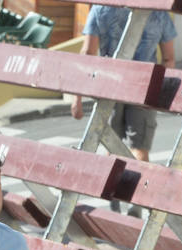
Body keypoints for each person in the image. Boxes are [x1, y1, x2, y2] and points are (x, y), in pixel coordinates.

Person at [71, 5, 176, 162]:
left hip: (111, 86)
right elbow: (169, 58)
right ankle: (139, 185)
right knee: (139, 149)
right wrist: (162, 95)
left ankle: (112, 185)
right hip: (144, 87)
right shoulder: (157, 11)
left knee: (112, 147)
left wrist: (76, 98)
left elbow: (88, 53)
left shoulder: (100, 8)